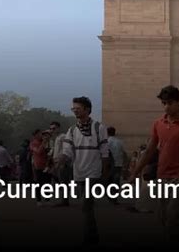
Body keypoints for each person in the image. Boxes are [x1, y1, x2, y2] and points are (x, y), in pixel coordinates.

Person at [129, 85, 179, 245]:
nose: (166, 107)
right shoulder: (158, 124)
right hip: (162, 176)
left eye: (170, 103)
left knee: (173, 217)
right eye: (164, 103)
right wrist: (135, 173)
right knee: (163, 219)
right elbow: (149, 151)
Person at [61, 96, 109, 245]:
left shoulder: (99, 128)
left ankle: (90, 238)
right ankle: (93, 235)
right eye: (73, 109)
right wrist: (61, 159)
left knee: (86, 204)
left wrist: (105, 172)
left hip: (93, 171)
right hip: (79, 171)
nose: (75, 111)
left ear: (87, 110)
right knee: (87, 205)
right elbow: (67, 150)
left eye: (78, 108)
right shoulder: (72, 130)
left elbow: (104, 152)